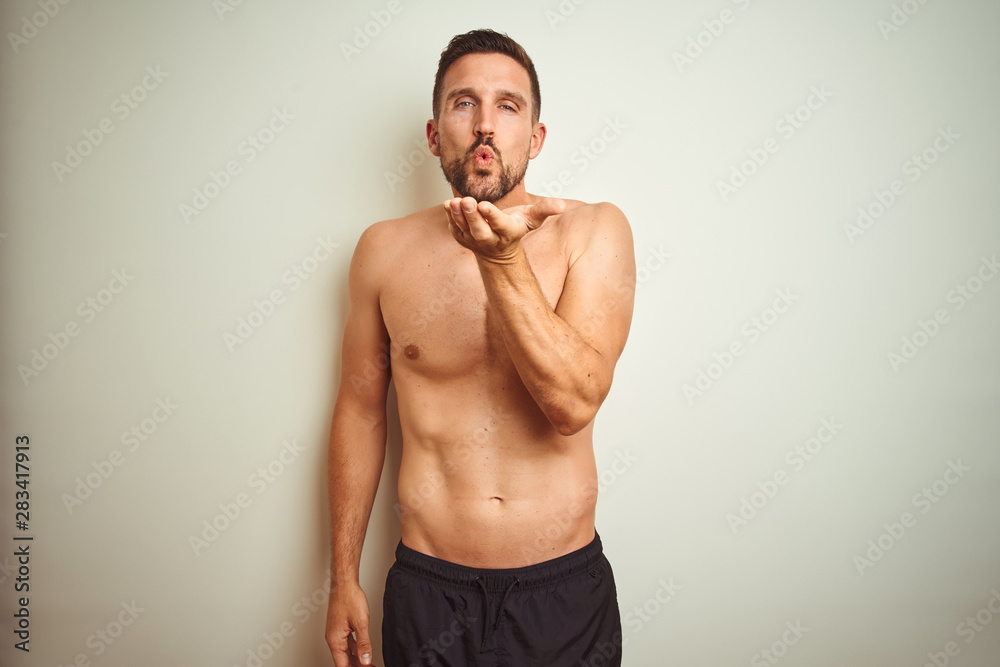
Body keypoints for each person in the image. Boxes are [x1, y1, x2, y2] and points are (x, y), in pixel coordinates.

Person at [325, 28, 635, 667]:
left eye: (509, 106)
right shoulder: (382, 251)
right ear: (436, 134)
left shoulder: (595, 231)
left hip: (562, 591)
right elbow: (360, 411)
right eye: (464, 104)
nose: (486, 124)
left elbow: (572, 404)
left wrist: (502, 259)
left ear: (537, 137)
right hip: (429, 590)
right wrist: (343, 576)